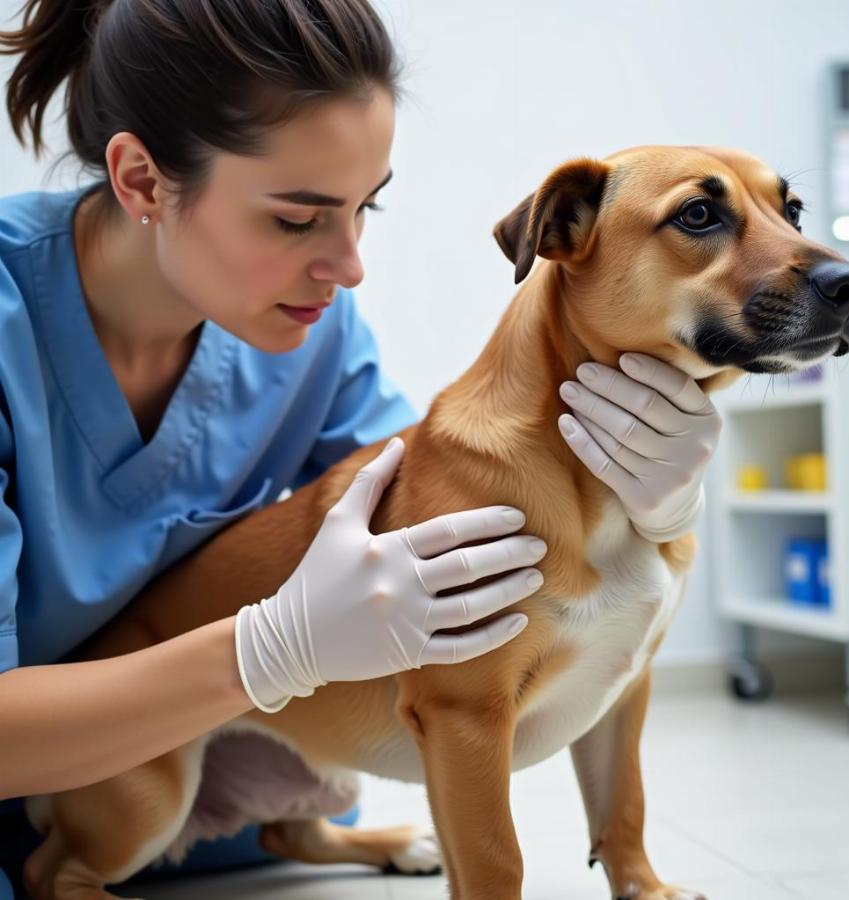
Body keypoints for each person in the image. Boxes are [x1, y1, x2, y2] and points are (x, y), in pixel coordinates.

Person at [0, 0, 721, 894]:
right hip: (61, 787)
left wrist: (642, 499)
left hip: (245, 799)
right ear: (142, 180)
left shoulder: (314, 335)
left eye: (362, 207)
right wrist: (270, 649)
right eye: (298, 220)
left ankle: (316, 838)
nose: (349, 267)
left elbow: (418, 503)